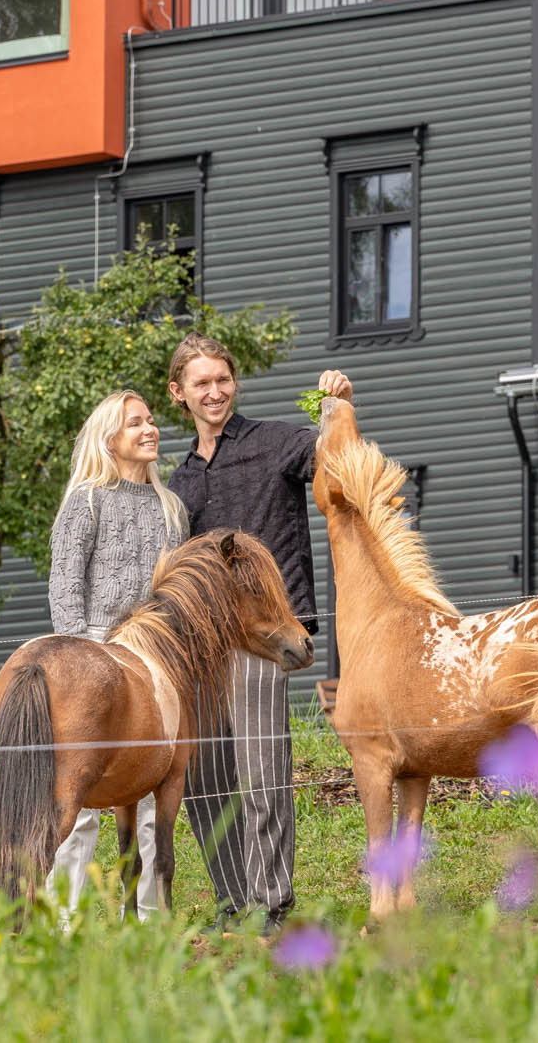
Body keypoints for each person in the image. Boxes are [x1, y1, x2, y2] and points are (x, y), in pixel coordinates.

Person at [164, 332, 351, 932]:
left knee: (263, 770)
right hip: (201, 645)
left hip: (266, 634)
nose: (214, 391)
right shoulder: (179, 482)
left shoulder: (276, 443)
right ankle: (232, 900)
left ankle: (271, 903)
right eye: (201, 383)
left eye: (223, 379)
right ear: (179, 394)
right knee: (205, 778)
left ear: (234, 382)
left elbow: (339, 459)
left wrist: (339, 406)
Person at [46, 388, 191, 915]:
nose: (150, 429)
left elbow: (176, 593)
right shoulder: (84, 500)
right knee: (76, 800)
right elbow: (65, 590)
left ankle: (151, 923)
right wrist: (89, 664)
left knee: (156, 791)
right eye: (136, 423)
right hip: (94, 657)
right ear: (110, 439)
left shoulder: (172, 509)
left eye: (151, 421)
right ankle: (59, 923)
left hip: (155, 666)